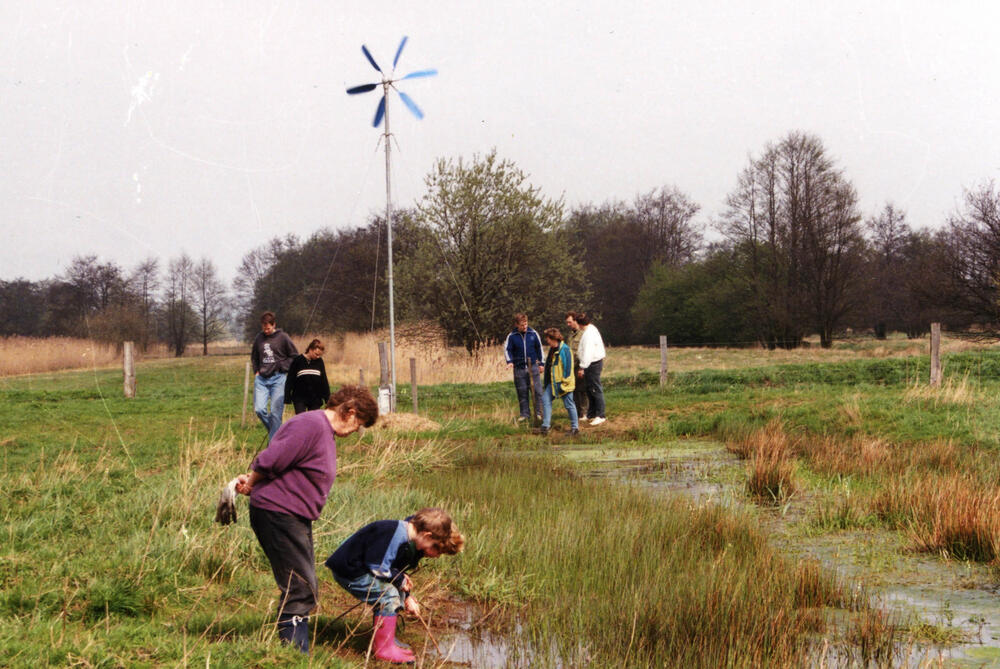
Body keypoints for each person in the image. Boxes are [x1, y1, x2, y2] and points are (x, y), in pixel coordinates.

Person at [234, 385, 379, 655]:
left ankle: (293, 650)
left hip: (293, 515)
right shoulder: (311, 425)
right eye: (358, 423)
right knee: (300, 586)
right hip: (278, 513)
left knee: (303, 583)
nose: (356, 430)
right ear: (349, 411)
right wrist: (251, 483)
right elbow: (272, 459)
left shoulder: (323, 431)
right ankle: (294, 655)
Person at [326, 507, 465, 664]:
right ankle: (383, 650)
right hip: (350, 570)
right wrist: (399, 579)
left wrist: (404, 590)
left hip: (359, 568)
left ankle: (387, 640)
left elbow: (390, 569)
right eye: (433, 545)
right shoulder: (394, 533)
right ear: (427, 535)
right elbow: (377, 567)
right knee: (389, 595)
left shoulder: (404, 535)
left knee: (395, 592)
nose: (432, 553)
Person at [250, 312, 299, 441]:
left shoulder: (283, 337)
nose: (266, 331)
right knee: (259, 409)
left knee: (276, 413)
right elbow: (254, 356)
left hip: (278, 379)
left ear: (274, 325)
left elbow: (294, 356)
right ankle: (277, 432)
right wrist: (256, 371)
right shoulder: (259, 338)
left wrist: (282, 366)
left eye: (268, 328)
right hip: (261, 379)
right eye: (264, 328)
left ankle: (273, 445)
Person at [533, 327, 579, 436]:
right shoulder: (552, 349)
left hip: (563, 384)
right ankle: (545, 427)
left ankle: (575, 429)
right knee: (545, 400)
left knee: (569, 404)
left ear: (553, 338)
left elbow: (568, 368)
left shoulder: (565, 350)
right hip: (553, 383)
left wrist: (565, 383)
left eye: (548, 338)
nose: (546, 341)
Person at [568, 311, 607, 425]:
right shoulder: (590, 329)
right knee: (590, 389)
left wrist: (582, 367)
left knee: (595, 389)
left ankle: (600, 415)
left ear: (580, 324)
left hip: (592, 364)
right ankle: (592, 413)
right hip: (591, 363)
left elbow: (587, 353)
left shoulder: (589, 334)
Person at [503, 313, 544, 423]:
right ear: (516, 325)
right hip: (519, 369)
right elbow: (507, 350)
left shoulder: (533, 333)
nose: (524, 326)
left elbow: (539, 348)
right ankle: (525, 414)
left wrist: (541, 364)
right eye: (522, 325)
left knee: (537, 391)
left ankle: (539, 413)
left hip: (533, 368)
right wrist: (510, 362)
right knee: (522, 392)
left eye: (526, 324)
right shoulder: (511, 336)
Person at [285, 338, 331, 415]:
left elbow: (324, 381)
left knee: (313, 421)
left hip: (315, 398)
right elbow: (290, 379)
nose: (318, 357)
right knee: (301, 420)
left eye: (320, 355)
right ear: (310, 349)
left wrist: (327, 399)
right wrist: (287, 396)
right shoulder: (298, 360)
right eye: (316, 354)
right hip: (300, 398)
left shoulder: (320, 362)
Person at [564, 312, 589, 419]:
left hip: (580, 365)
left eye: (570, 322)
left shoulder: (583, 333)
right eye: (567, 323)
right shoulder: (570, 335)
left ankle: (585, 412)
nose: (568, 324)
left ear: (575, 321)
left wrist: (582, 367)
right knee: (574, 390)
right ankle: (577, 412)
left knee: (582, 390)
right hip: (571, 366)